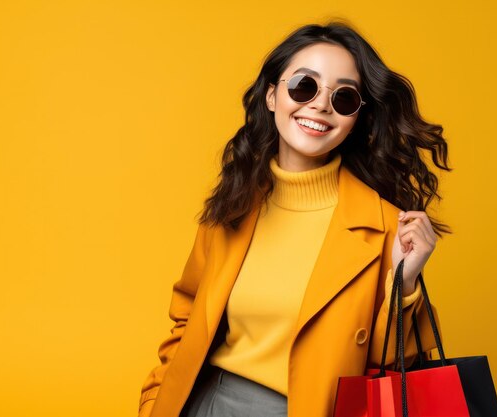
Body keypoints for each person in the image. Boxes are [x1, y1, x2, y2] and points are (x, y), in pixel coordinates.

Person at [138, 21, 451, 417]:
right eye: (304, 86)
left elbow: (389, 365)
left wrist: (404, 283)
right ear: (272, 96)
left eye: (344, 98)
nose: (320, 104)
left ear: (357, 118)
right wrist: (155, 401)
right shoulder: (234, 202)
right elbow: (186, 316)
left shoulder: (384, 224)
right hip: (207, 403)